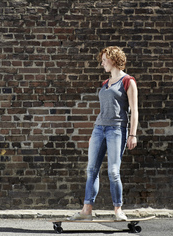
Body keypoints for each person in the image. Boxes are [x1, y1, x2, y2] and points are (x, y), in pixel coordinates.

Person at [70, 46, 138, 221]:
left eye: (105, 59)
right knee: (91, 169)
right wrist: (95, 132)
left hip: (117, 130)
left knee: (114, 172)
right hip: (99, 129)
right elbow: (103, 110)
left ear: (114, 60)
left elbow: (134, 111)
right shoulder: (105, 83)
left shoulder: (128, 81)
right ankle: (87, 210)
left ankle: (118, 210)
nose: (102, 63)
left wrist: (132, 134)